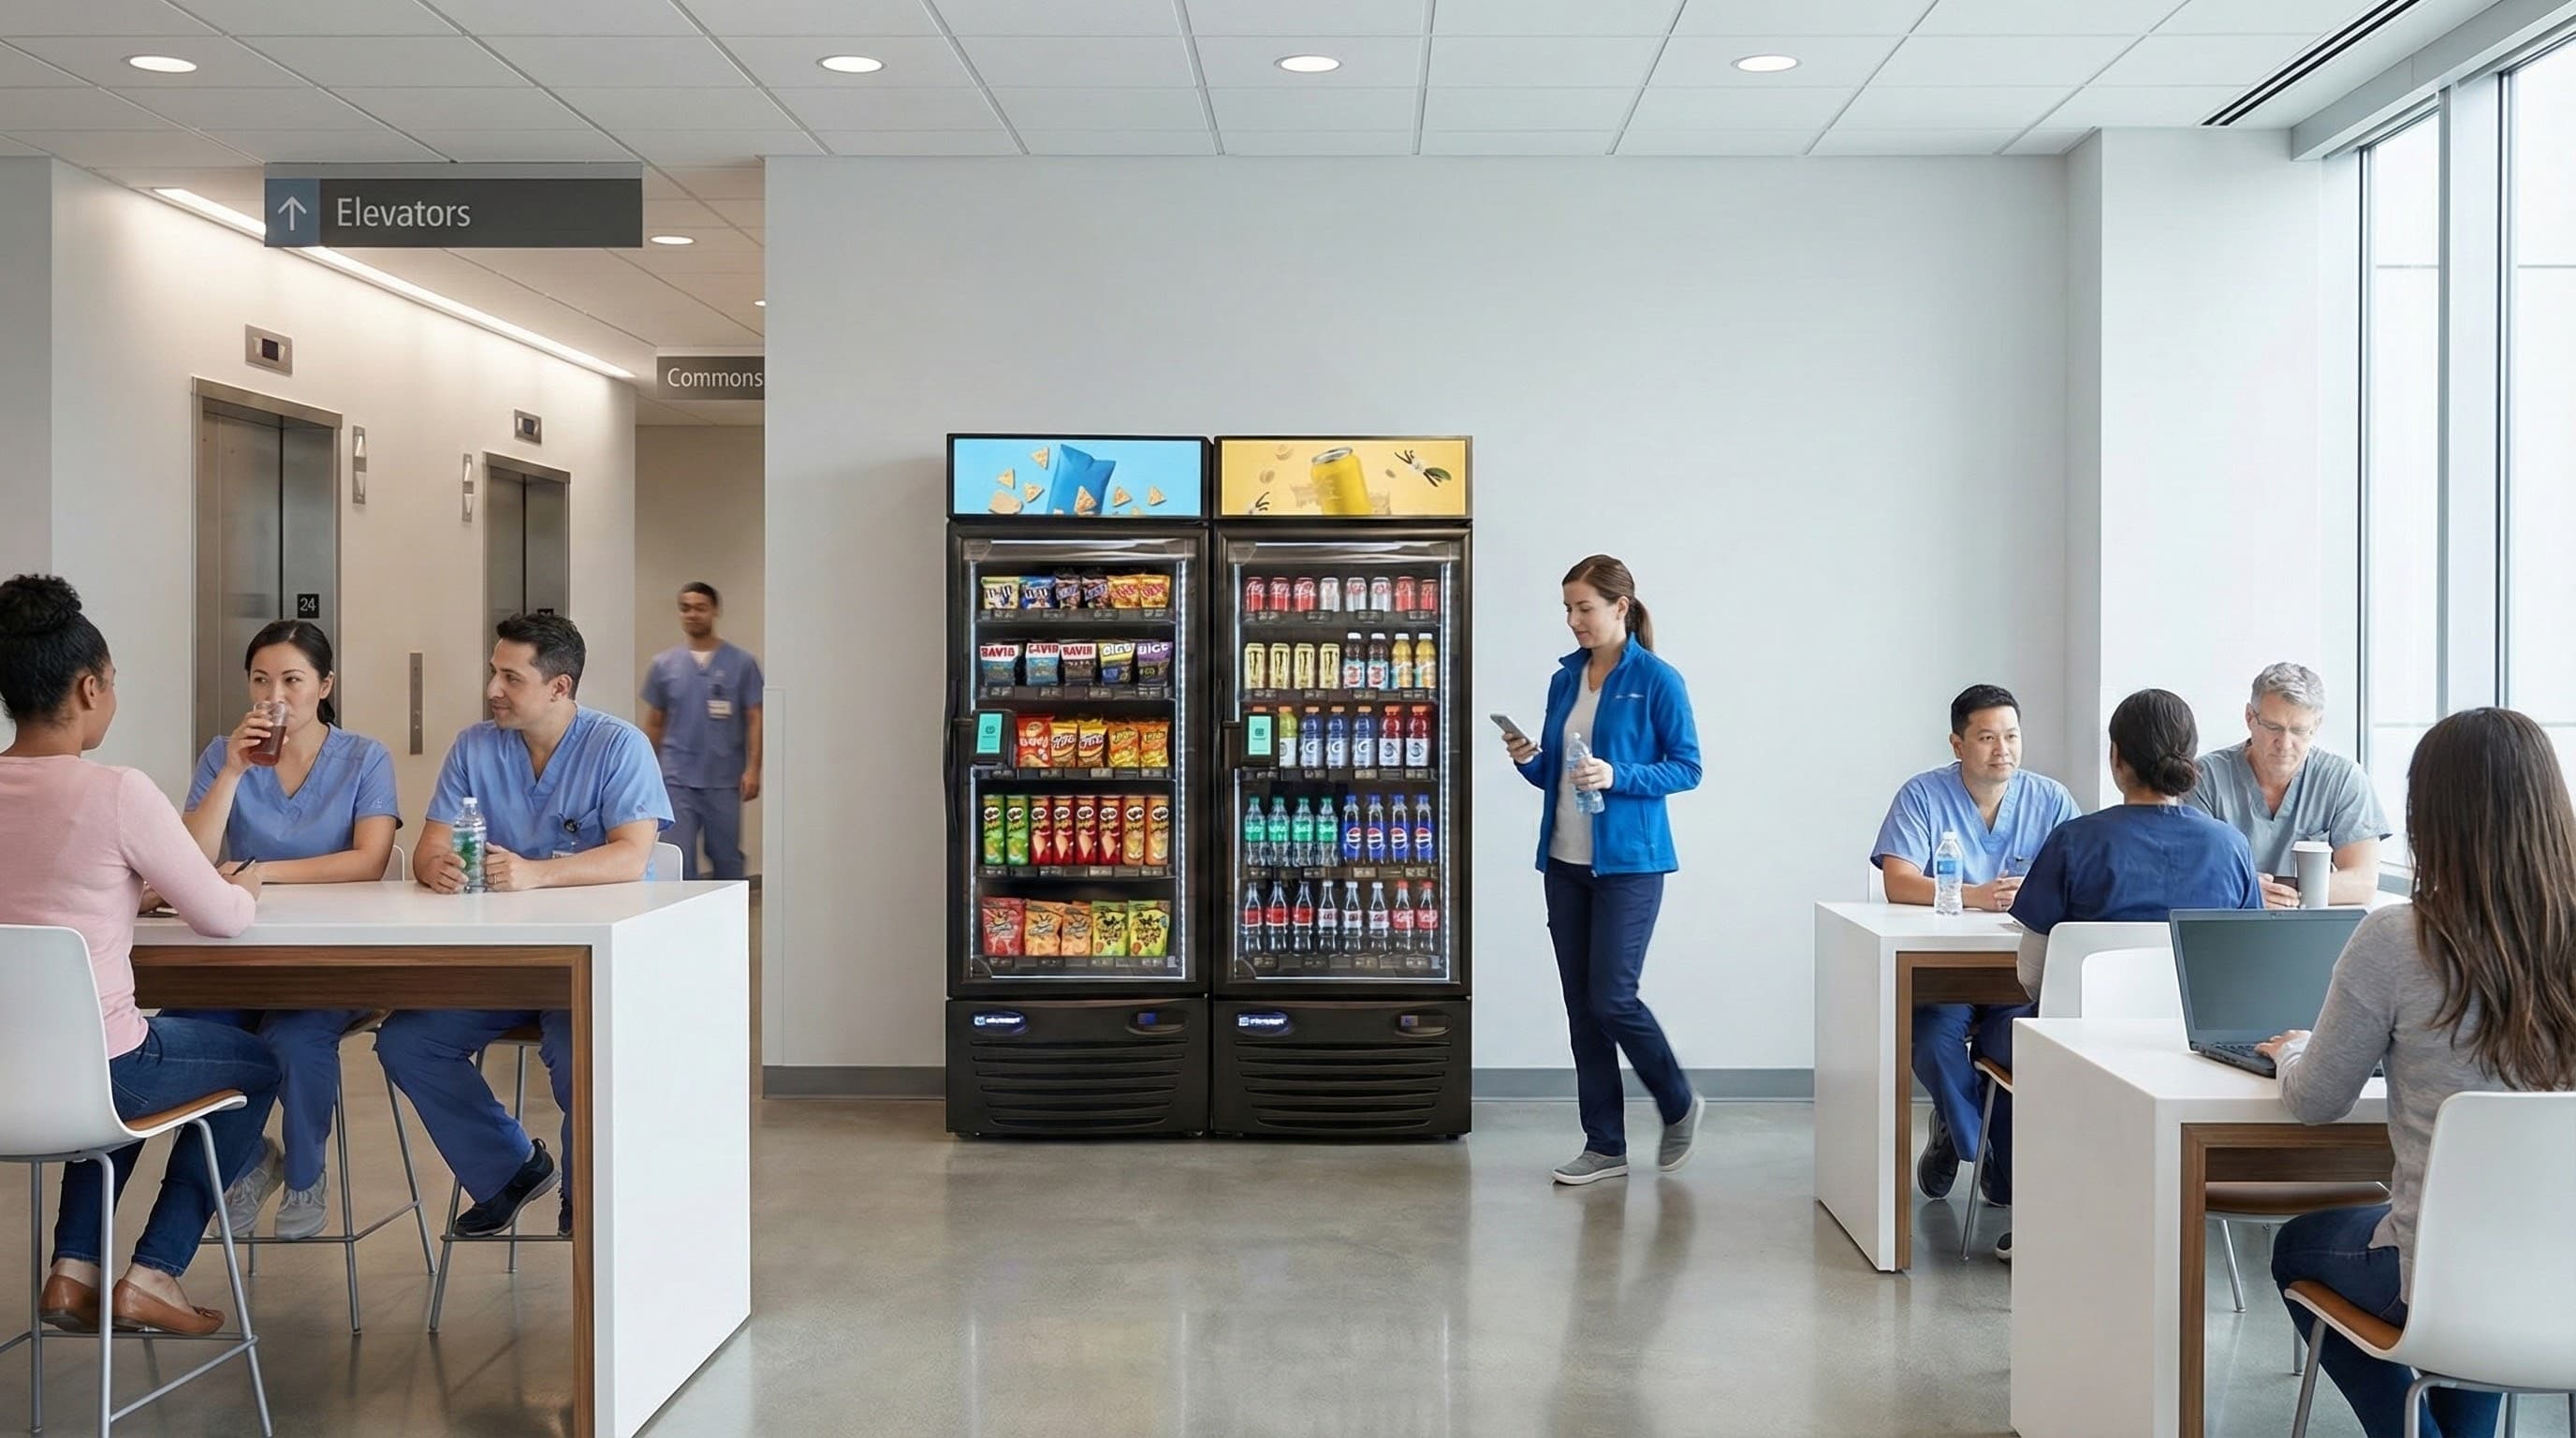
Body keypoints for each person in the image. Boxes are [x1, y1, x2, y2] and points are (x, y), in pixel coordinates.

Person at [2262, 708, 2576, 1438]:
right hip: (2563, 1278)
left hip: (2437, 1276)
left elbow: (2316, 1101)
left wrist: (2292, 1051)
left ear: (2430, 816)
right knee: (2486, 1276)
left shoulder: (2399, 937)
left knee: (2295, 1249)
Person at [0, 574, 278, 1337]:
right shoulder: (116, 792)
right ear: (89, 688)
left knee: (105, 1086)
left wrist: (125, 894)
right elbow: (221, 918)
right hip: (102, 1069)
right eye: (113, 682)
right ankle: (154, 1273)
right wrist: (244, 886)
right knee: (256, 1065)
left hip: (9, 1076)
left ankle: (73, 1273)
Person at [375, 612, 671, 1240]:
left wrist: (537, 874)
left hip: (589, 965)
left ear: (560, 687)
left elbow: (631, 856)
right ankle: (508, 1169)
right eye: (494, 672)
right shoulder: (474, 748)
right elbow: (429, 850)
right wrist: (438, 869)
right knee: (408, 1042)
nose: (493, 690)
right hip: (501, 964)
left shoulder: (618, 747)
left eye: (511, 677)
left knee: (576, 1050)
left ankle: (587, 1195)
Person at [1998, 688, 2263, 1260]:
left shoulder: (2075, 840)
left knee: (2001, 1034)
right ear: (2190, 758)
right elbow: (2244, 966)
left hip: (2080, 1045)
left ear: (2116, 757)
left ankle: (2035, 1205)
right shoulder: (2230, 846)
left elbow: (2034, 972)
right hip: (2194, 1050)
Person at [159, 620, 398, 1241]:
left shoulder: (363, 757)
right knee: (184, 1034)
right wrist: (232, 773)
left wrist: (262, 871)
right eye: (261, 680)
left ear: (325, 685)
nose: (276, 696)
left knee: (294, 1037)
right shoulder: (224, 753)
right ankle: (247, 1161)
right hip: (240, 954)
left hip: (333, 959)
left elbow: (369, 860)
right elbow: (189, 858)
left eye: (292, 680)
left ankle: (306, 1174)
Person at [1502, 555, 1705, 1186]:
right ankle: (1604, 1145)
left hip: (1630, 865)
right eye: (1567, 609)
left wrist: (1619, 774)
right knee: (1582, 1008)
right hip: (1564, 863)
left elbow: (1688, 767)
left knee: (1612, 998)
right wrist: (1528, 759)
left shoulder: (1658, 679)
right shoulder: (1565, 679)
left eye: (1584, 607)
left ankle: (1678, 1100)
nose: (1573, 620)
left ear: (1621, 606)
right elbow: (1557, 773)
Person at [1870, 683, 2083, 1206]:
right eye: (1987, 737)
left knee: (2019, 1048)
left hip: (2020, 975)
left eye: (2011, 736)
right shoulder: (1923, 795)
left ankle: (1958, 1126)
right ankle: (1974, 1143)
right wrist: (1975, 896)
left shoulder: (2051, 800)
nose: (2002, 749)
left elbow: (2078, 883)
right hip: (1947, 973)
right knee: (1932, 1042)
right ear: (1957, 743)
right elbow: (1898, 881)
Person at [2188, 663, 2390, 907]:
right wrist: (2251, 892)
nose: (2284, 744)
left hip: (2307, 925)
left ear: (2316, 726)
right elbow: (2189, 876)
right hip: (2224, 924)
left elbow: (2362, 882)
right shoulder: (2205, 778)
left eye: (2299, 730)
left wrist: (2256, 892)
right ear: (2250, 717)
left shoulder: (2343, 779)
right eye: (2273, 727)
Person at [639, 581, 763, 881]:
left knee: (726, 855)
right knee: (677, 856)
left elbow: (755, 718)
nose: (692, 614)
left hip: (723, 778)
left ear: (715, 611)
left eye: (700, 608)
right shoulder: (664, 665)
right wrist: (647, 772)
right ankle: (682, 911)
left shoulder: (742, 663)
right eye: (685, 608)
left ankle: (731, 910)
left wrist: (753, 770)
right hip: (676, 778)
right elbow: (655, 722)